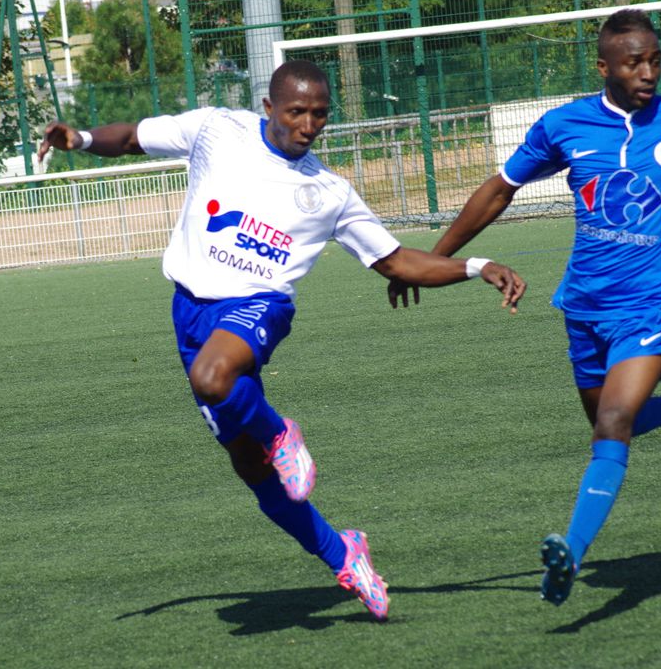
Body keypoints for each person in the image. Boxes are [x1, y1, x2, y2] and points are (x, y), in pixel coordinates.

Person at [38, 60, 526, 620]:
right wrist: (77, 138)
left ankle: (281, 432)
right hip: (189, 312)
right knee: (253, 473)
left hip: (257, 307)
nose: (309, 124)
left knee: (213, 378)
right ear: (269, 108)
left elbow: (395, 261)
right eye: (297, 111)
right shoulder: (217, 130)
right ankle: (344, 554)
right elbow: (131, 138)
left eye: (319, 114)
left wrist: (477, 265)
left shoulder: (328, 192)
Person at [391, 9, 661, 606]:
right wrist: (435, 259)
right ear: (604, 67)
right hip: (586, 305)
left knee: (613, 423)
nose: (648, 72)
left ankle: (570, 549)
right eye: (633, 62)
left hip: (656, 302)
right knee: (607, 421)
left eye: (655, 60)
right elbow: (498, 191)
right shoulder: (565, 125)